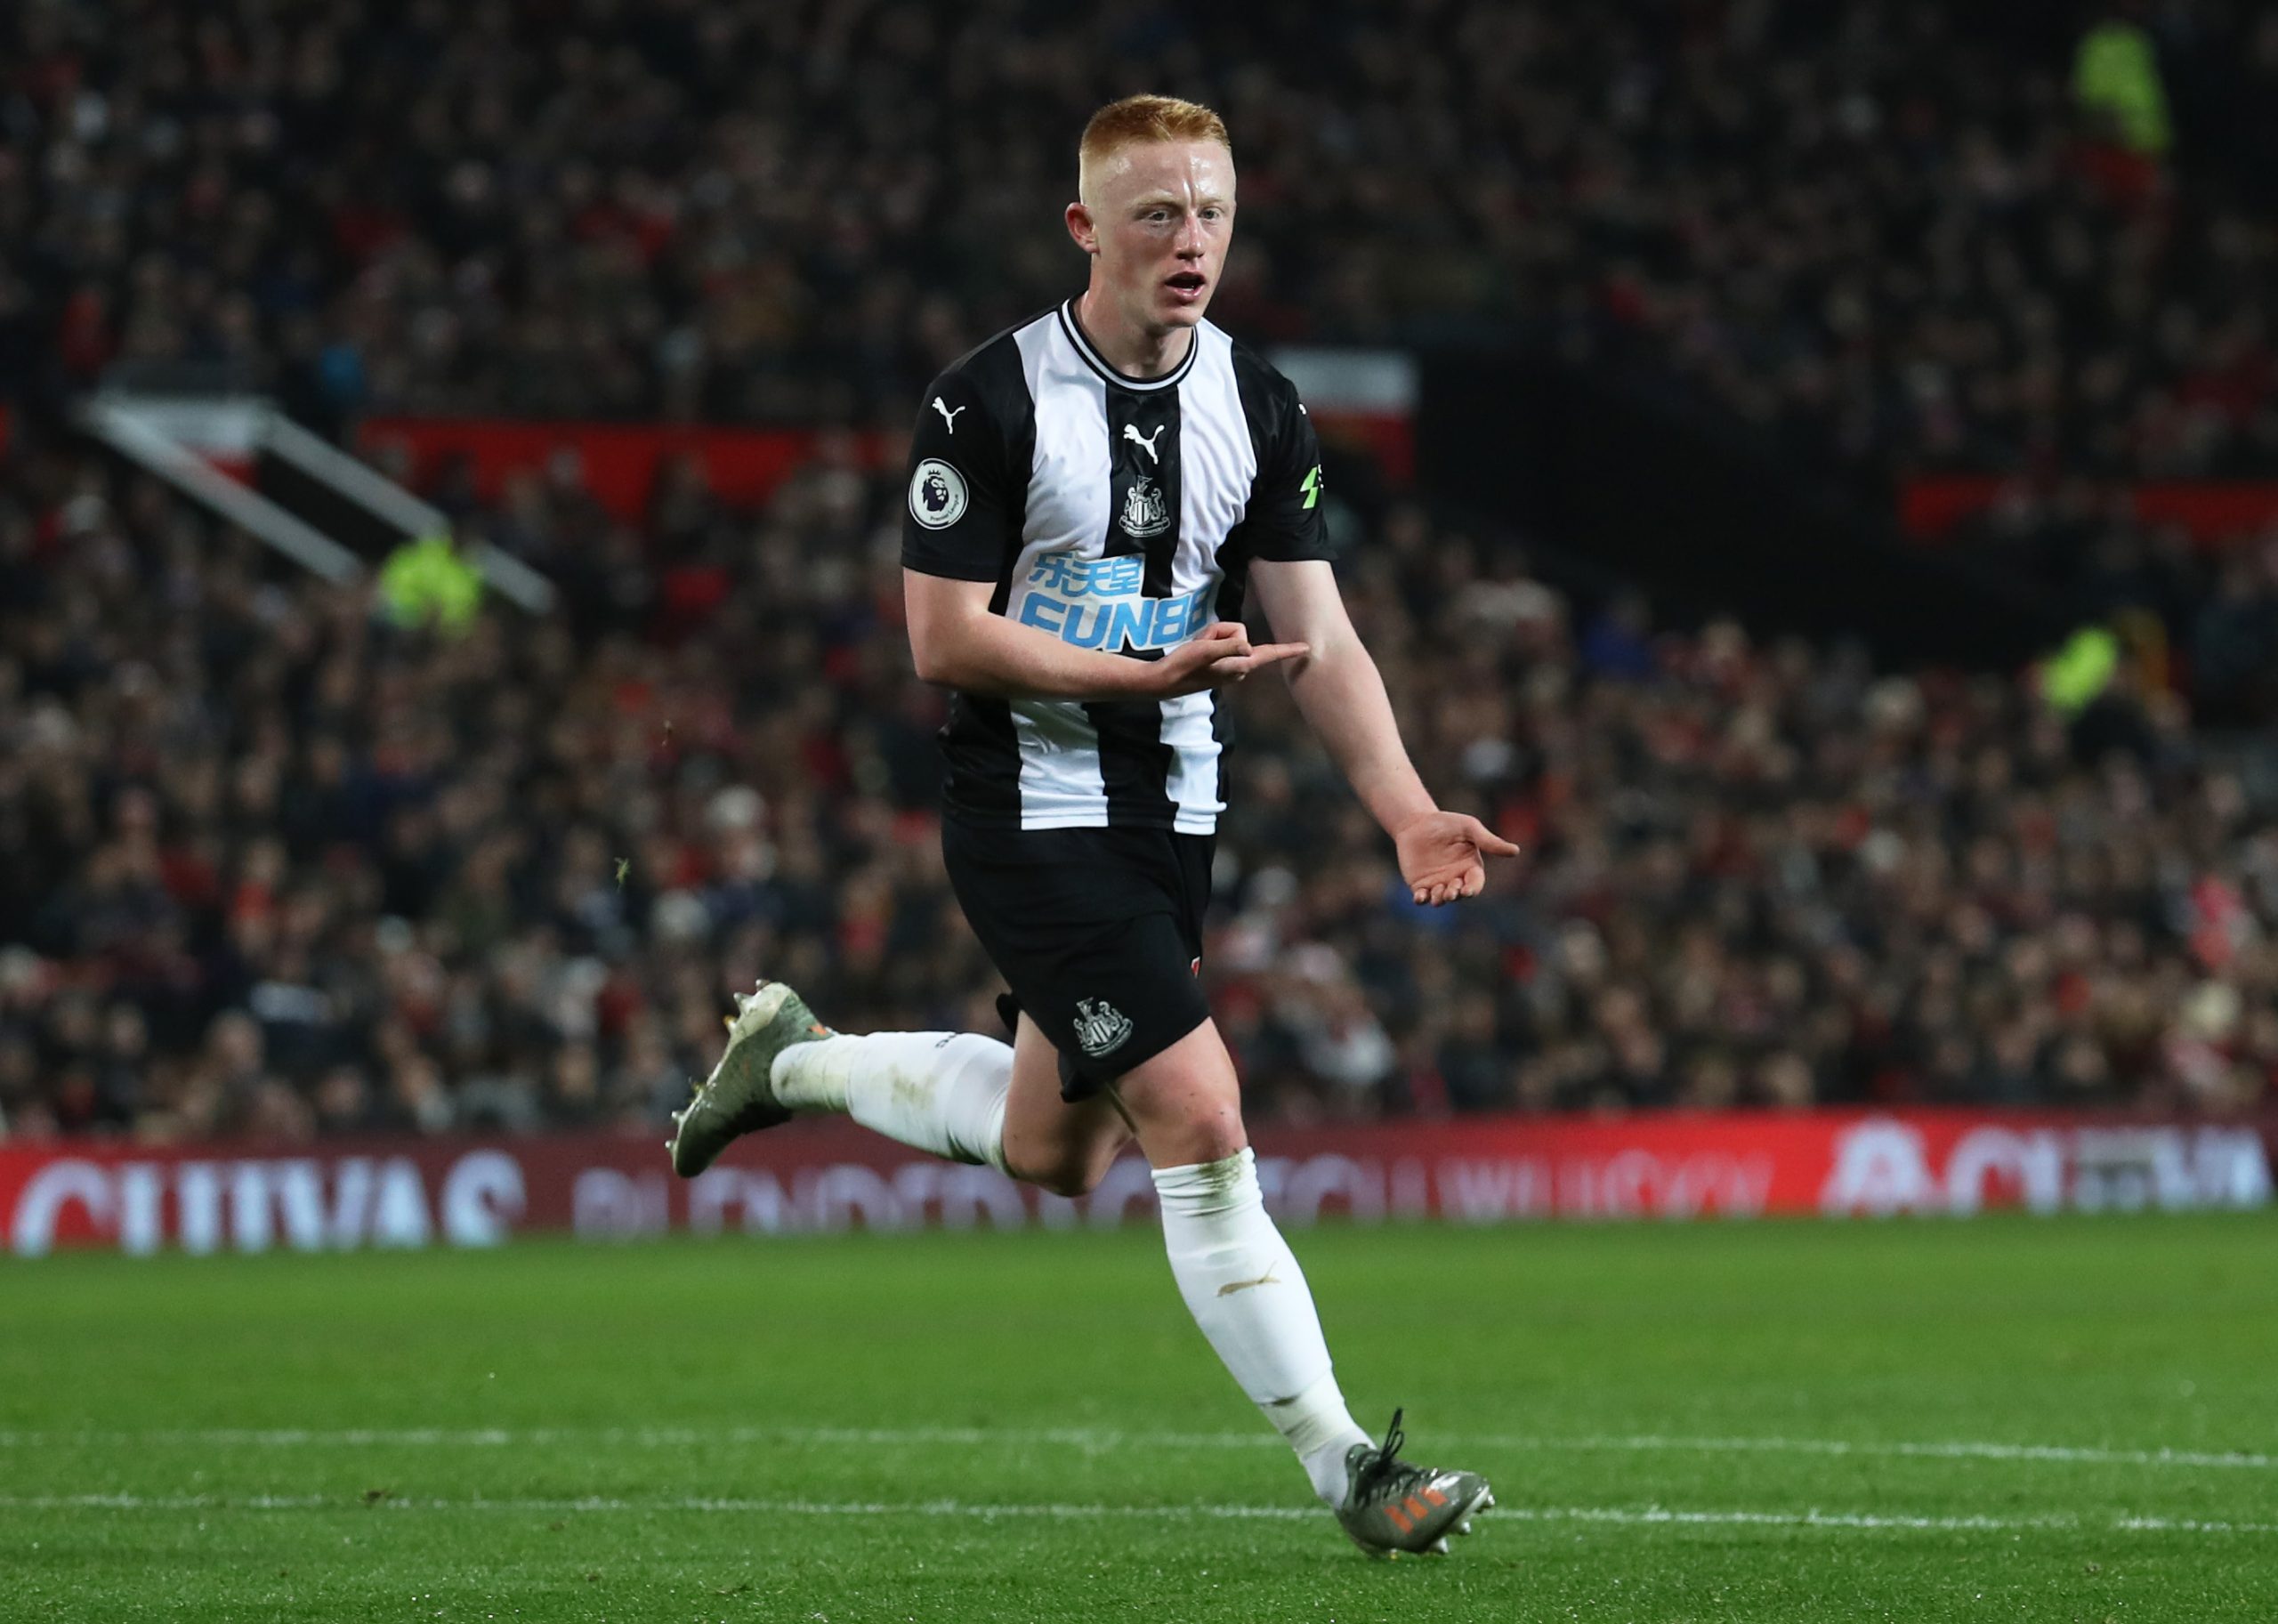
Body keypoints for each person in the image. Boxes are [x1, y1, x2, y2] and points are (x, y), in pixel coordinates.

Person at [667, 93, 1517, 1558]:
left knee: (1057, 1150)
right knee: (1198, 1111)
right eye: (1157, 217)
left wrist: (1404, 805)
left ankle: (790, 1057)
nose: (1192, 243)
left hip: (1172, 811)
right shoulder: (987, 401)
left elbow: (1321, 633)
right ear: (1087, 230)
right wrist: (1139, 672)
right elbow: (942, 638)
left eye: (1212, 214)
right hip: (1027, 810)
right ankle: (1351, 1472)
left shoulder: (1259, 404)